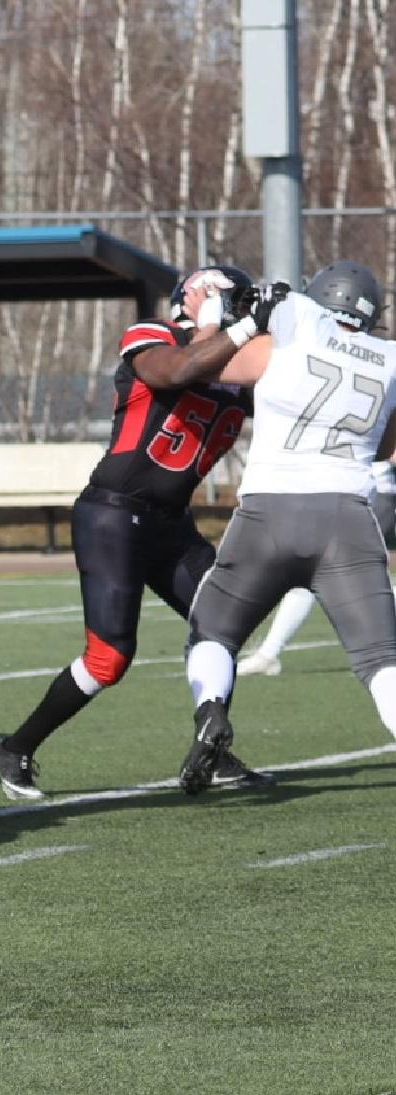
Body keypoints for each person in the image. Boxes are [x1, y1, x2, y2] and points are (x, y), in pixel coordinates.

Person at [0, 266, 274, 800]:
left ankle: (212, 736)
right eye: (227, 301)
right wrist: (228, 330)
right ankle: (15, 747)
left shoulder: (240, 363)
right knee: (108, 658)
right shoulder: (154, 335)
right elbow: (174, 373)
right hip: (114, 514)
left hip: (171, 522)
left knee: (224, 619)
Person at [179, 264, 396, 792]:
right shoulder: (391, 361)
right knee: (380, 660)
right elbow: (386, 447)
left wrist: (213, 317)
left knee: (214, 631)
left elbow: (200, 365)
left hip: (268, 510)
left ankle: (210, 710)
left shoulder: (291, 333)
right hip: (347, 514)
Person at [236, 457, 396, 676]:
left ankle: (268, 655)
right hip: (341, 496)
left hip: (369, 494)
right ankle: (267, 655)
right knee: (361, 576)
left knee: (313, 570)